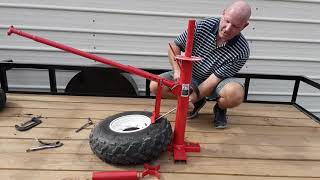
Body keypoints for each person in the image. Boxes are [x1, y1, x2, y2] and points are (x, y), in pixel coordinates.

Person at [150, 0, 251, 129]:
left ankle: (220, 108)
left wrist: (190, 99)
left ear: (245, 26)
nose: (228, 29)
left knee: (234, 95)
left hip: (216, 84)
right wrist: (177, 70)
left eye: (236, 26)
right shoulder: (204, 25)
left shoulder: (241, 50)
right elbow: (174, 46)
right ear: (223, 12)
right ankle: (198, 102)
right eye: (227, 21)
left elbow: (212, 81)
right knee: (155, 86)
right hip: (190, 77)